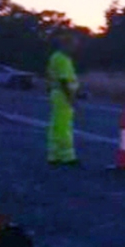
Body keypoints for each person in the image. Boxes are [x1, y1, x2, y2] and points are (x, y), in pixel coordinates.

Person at [46, 33, 81, 166]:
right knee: (64, 126)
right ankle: (67, 156)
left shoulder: (55, 57)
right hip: (62, 95)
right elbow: (64, 81)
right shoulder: (62, 59)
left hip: (57, 94)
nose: (75, 48)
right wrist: (71, 98)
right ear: (66, 44)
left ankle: (54, 154)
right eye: (73, 45)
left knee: (56, 125)